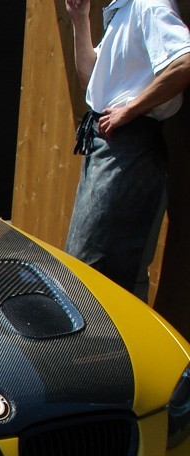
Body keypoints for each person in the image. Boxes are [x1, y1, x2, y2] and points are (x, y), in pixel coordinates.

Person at [64, 0, 190, 296]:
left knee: (108, 272)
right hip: (107, 147)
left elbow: (184, 63)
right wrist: (80, 19)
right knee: (83, 265)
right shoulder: (121, 12)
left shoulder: (149, 4)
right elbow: (91, 82)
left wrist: (130, 110)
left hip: (131, 149)